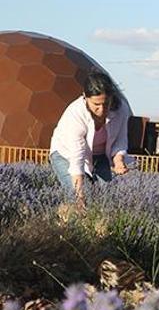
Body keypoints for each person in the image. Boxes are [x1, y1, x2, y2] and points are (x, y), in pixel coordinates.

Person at [49, 71, 132, 208]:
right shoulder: (75, 113)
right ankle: (69, 223)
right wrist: (79, 197)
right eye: (96, 104)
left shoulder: (121, 109)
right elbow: (77, 158)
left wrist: (118, 161)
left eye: (106, 104)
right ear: (85, 97)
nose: (102, 110)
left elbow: (121, 140)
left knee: (105, 198)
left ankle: (99, 226)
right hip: (66, 154)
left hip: (99, 155)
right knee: (76, 195)